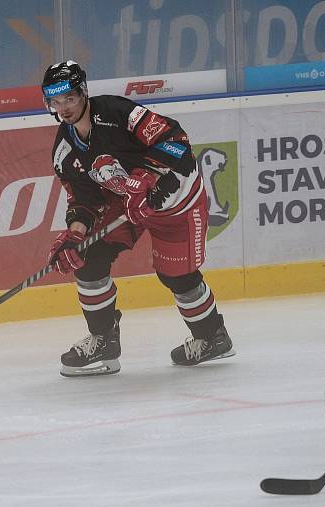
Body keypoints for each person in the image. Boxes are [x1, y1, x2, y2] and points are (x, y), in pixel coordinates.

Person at [40, 60, 235, 377]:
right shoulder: (64, 151)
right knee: (87, 257)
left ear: (83, 93)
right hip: (127, 204)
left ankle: (213, 337)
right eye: (56, 101)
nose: (63, 108)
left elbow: (175, 140)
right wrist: (75, 235)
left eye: (70, 99)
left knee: (176, 276)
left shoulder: (118, 113)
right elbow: (84, 199)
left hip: (176, 201)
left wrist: (148, 178)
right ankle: (103, 339)